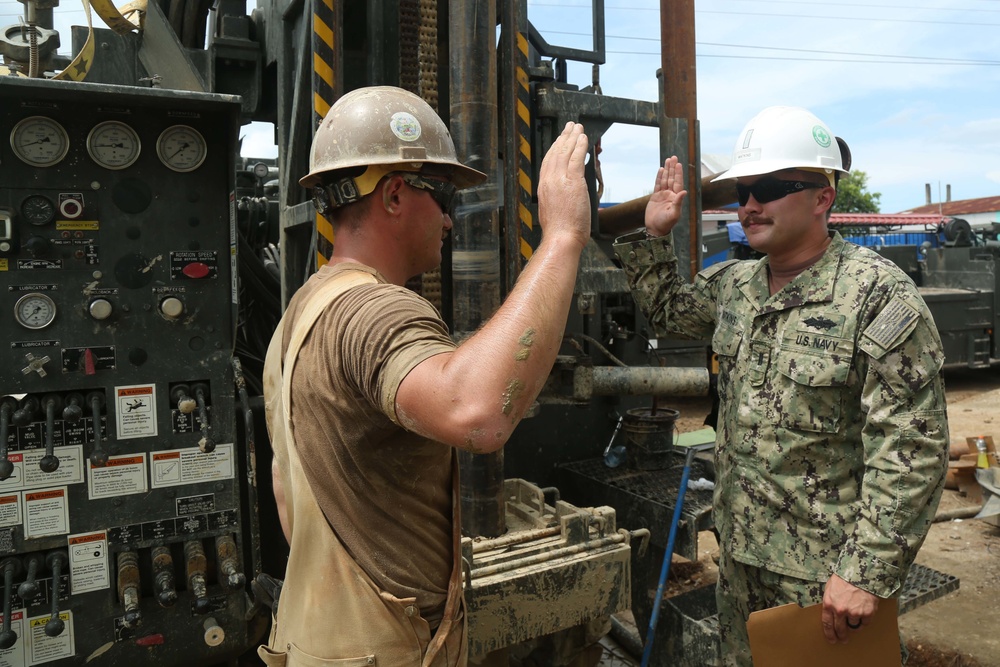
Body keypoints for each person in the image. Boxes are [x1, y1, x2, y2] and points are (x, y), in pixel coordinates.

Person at [258, 86, 592, 667]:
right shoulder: (378, 310)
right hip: (383, 651)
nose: (448, 217)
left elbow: (288, 492)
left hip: (313, 637)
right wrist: (562, 237)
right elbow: (477, 413)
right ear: (392, 194)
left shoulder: (299, 315)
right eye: (441, 195)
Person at [612, 106, 949, 666]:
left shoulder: (876, 294)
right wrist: (654, 234)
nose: (749, 204)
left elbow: (912, 449)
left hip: (826, 578)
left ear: (823, 196)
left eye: (770, 187)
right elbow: (669, 313)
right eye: (744, 189)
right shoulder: (735, 285)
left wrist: (865, 572)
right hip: (742, 560)